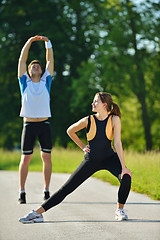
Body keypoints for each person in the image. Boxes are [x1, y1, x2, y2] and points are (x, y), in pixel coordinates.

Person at [19, 92, 132, 222]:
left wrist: (123, 167)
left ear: (104, 105)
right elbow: (70, 130)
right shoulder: (88, 120)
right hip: (91, 160)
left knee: (126, 177)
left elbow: (117, 143)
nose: (92, 103)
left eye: (96, 101)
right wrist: (83, 146)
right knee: (66, 189)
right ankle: (37, 213)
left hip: (109, 158)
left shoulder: (114, 119)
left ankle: (120, 210)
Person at [18, 35, 54, 204]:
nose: (36, 67)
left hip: (44, 124)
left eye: (38, 66)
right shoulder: (24, 81)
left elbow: (50, 60)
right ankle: (22, 192)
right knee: (25, 158)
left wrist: (47, 43)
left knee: (46, 157)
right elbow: (22, 60)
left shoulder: (46, 80)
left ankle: (46, 190)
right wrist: (30, 41)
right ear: (30, 70)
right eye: (33, 66)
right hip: (29, 124)